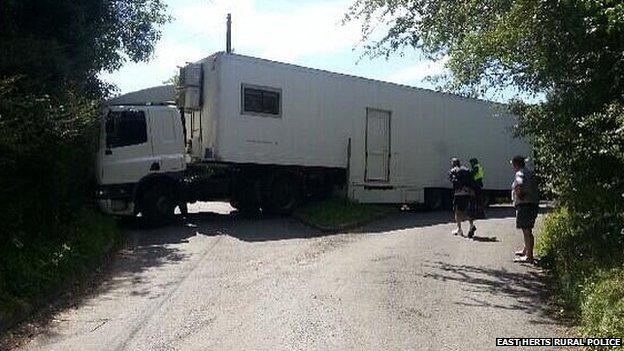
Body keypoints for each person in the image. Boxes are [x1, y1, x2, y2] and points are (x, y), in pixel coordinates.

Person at [510, 155, 540, 263]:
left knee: (526, 230)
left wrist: (520, 195)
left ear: (516, 164)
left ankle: (529, 256)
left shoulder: (519, 173)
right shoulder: (530, 172)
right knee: (527, 229)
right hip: (533, 203)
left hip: (525, 204)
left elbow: (519, 183)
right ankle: (526, 250)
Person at [448, 158, 477, 238]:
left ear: (453, 164)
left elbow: (452, 180)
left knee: (457, 212)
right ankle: (471, 226)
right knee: (468, 211)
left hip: (458, 194)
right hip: (467, 193)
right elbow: (472, 180)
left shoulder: (453, 170)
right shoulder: (466, 169)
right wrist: (471, 190)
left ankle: (459, 229)